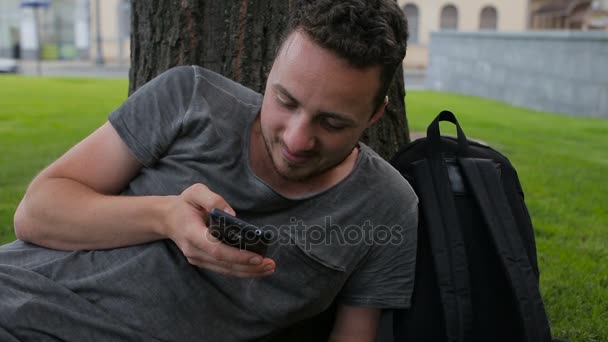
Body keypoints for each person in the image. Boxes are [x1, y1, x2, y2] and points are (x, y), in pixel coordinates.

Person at [0, 0, 417, 341]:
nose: (295, 139)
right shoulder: (190, 96)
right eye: (285, 101)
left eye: (333, 123)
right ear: (269, 73)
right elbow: (35, 214)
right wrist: (166, 217)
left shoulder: (387, 208)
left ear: (375, 114)